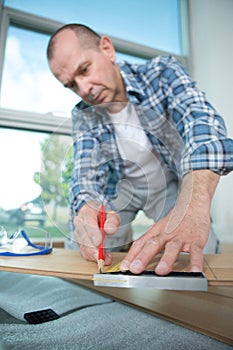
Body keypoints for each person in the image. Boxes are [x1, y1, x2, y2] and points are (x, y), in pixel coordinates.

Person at [47, 23, 233, 276]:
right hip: (122, 187)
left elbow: (200, 123)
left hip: (170, 182)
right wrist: (86, 208)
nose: (84, 89)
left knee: (200, 253)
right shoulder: (83, 115)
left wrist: (195, 205)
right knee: (85, 246)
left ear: (107, 49)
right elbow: (85, 174)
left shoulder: (161, 73)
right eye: (71, 85)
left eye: (85, 69)